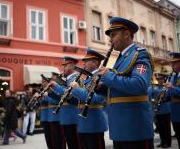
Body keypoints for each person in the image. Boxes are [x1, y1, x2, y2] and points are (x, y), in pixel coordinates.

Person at [96, 17, 154, 149]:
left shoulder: (139, 55)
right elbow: (119, 92)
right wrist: (100, 87)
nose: (110, 40)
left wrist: (108, 76)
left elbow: (139, 85)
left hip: (135, 128)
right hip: (120, 128)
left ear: (127, 34)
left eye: (113, 35)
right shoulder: (122, 58)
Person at [70, 49, 108, 149]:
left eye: (87, 61)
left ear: (95, 62)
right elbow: (81, 97)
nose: (84, 63)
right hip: (84, 123)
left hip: (94, 123)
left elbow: (97, 98)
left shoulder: (101, 76)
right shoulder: (87, 78)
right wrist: (72, 90)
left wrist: (77, 89)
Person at [49, 56, 82, 149]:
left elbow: (72, 95)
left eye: (65, 66)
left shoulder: (76, 78)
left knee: (75, 144)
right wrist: (50, 93)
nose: (63, 68)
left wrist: (56, 87)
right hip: (66, 116)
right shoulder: (68, 79)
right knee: (71, 143)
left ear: (72, 66)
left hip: (73, 116)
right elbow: (63, 98)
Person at [148, 73, 171, 148]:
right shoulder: (155, 87)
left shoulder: (166, 87)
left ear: (164, 79)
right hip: (158, 110)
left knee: (166, 127)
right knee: (160, 127)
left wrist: (164, 96)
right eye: (158, 79)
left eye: (161, 79)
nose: (159, 81)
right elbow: (149, 95)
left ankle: (167, 142)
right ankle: (162, 141)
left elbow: (170, 96)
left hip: (166, 109)